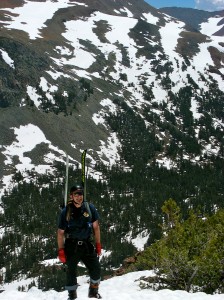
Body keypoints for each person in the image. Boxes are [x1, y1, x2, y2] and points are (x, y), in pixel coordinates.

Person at [57, 183, 102, 299]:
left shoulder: (89, 208)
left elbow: (96, 227)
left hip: (87, 244)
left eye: (80, 194)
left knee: (96, 268)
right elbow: (60, 232)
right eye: (76, 195)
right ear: (71, 196)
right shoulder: (66, 211)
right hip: (72, 245)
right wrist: (61, 250)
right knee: (71, 271)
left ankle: (93, 291)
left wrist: (98, 244)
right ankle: (72, 295)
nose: (79, 197)